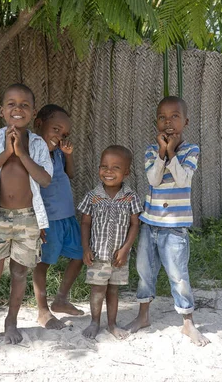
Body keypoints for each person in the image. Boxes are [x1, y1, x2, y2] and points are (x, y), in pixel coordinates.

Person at [0, 83, 53, 347]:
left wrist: (22, 153)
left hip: (28, 219)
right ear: (1, 111)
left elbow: (45, 179)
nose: (18, 109)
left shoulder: (38, 143)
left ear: (33, 112)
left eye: (24, 105)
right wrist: (7, 152)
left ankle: (11, 322)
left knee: (19, 273)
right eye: (11, 104)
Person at [125, 96, 210, 347]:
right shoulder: (152, 150)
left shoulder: (191, 150)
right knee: (144, 272)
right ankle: (143, 317)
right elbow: (153, 179)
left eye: (174, 116)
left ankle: (187, 323)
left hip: (174, 227)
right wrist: (162, 152)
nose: (168, 122)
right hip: (150, 223)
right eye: (162, 117)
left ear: (185, 121)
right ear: (156, 122)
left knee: (178, 274)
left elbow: (183, 180)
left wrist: (172, 152)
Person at [78, 145, 142, 339]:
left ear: (126, 172)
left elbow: (134, 225)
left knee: (113, 290)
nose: (108, 171)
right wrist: (86, 248)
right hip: (98, 254)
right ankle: (95, 322)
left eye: (115, 168)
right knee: (97, 289)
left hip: (118, 257)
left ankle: (112, 324)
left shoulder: (131, 197)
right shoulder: (92, 196)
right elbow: (85, 223)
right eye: (104, 166)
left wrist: (125, 249)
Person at [32, 104, 85, 330]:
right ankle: (42, 310)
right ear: (39, 124)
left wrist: (67, 155)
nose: (59, 136)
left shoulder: (58, 154)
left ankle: (61, 299)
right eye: (55, 129)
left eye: (64, 134)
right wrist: (37, 221)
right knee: (43, 263)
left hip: (67, 216)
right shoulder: (32, 153)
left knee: (81, 254)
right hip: (48, 219)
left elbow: (70, 175)